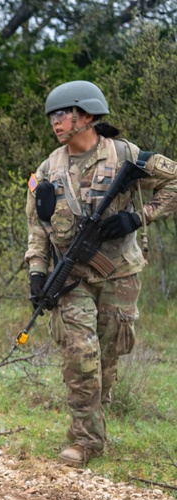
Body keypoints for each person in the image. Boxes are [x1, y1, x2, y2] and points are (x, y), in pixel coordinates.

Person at [25, 80, 177, 468]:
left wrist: (138, 216)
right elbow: (37, 230)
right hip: (71, 277)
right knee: (81, 357)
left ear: (87, 115)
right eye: (52, 116)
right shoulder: (47, 170)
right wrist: (37, 274)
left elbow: (174, 180)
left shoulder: (124, 154)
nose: (56, 122)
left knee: (107, 360)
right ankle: (85, 442)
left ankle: (91, 430)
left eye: (63, 114)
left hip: (119, 275)